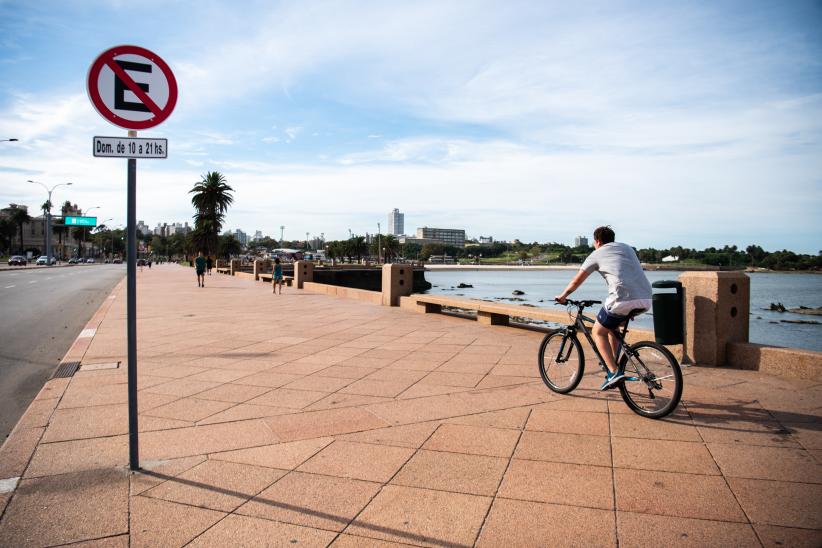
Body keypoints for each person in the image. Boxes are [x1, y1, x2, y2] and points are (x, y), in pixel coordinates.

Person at [556, 226, 652, 390]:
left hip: (622, 299)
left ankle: (613, 373)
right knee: (613, 327)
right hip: (645, 298)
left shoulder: (596, 254)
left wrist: (563, 296)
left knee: (598, 331)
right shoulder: (627, 248)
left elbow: (577, 281)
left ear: (597, 241)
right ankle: (613, 363)